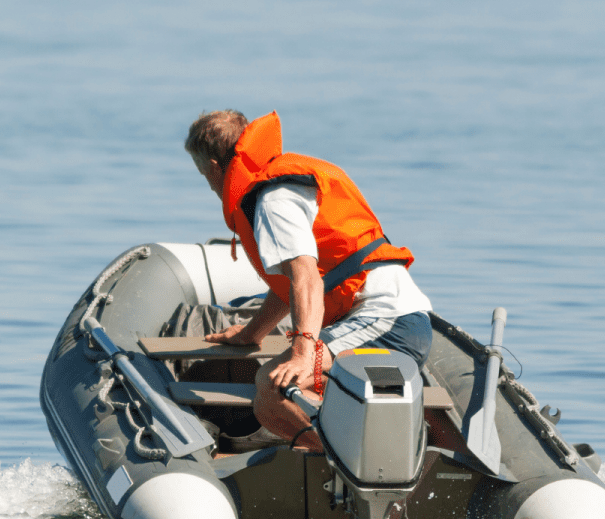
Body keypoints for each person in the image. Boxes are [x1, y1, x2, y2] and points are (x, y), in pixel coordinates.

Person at [185, 109, 432, 452]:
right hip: (387, 318)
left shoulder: (273, 200)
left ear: (213, 167)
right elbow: (290, 288)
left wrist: (303, 353)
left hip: (388, 320)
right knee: (278, 384)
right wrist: (251, 333)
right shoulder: (285, 182)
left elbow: (306, 279)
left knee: (270, 389)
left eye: (203, 174)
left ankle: (337, 458)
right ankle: (336, 453)